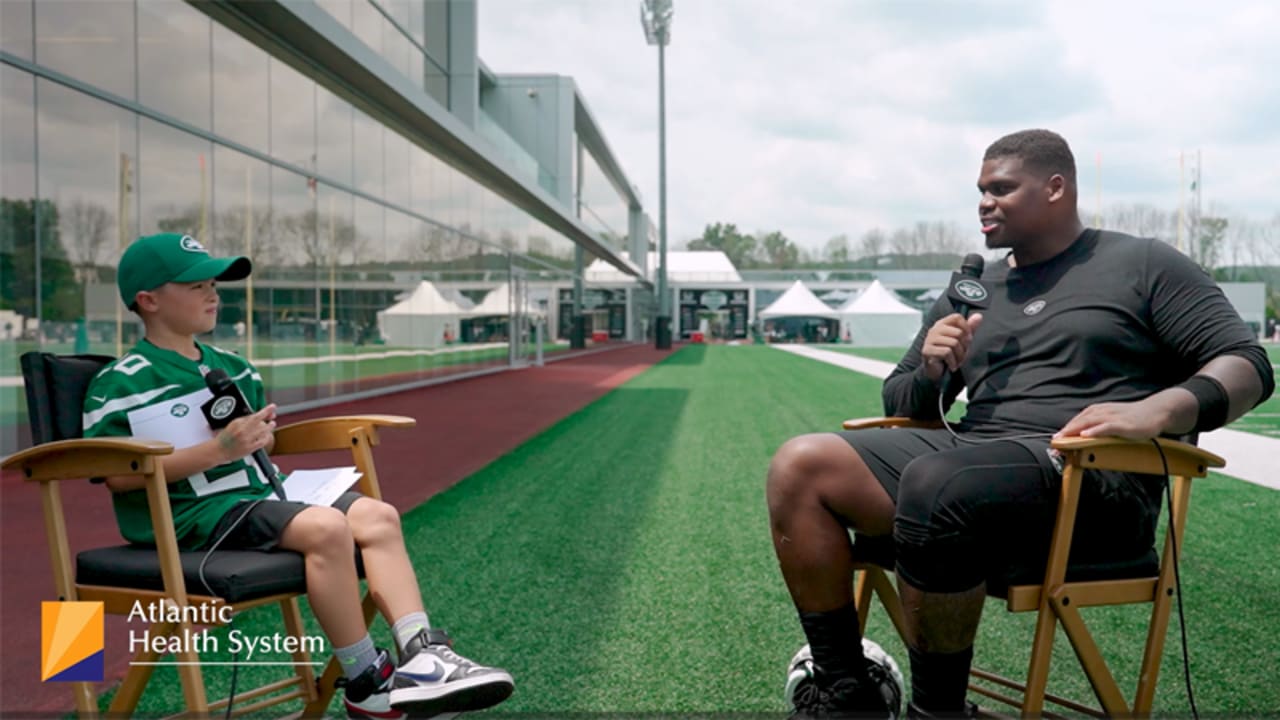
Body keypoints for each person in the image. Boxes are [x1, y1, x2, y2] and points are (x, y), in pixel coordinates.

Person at [766, 129, 1274, 718]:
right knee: (799, 465)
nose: (984, 202)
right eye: (981, 190)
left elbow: (1248, 364)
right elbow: (905, 399)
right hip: (968, 471)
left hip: (1091, 488)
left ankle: (938, 713)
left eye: (1001, 188)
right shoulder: (973, 289)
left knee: (938, 481)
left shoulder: (1143, 263)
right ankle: (845, 689)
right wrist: (933, 366)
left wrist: (1159, 410)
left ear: (1055, 187)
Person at [83, 233, 515, 720]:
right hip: (190, 518)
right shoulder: (122, 381)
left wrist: (260, 439)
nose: (213, 295)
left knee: (379, 516)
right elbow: (118, 475)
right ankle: (365, 681)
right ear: (149, 300)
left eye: (214, 285)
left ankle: (422, 656)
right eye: (197, 285)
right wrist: (219, 450)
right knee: (326, 528)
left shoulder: (235, 367)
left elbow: (262, 441)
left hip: (260, 495)